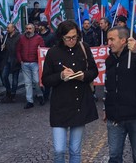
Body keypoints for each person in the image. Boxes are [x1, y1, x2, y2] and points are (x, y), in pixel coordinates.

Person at [42, 20, 98, 163]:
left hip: (79, 104)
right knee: (59, 150)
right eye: (68, 38)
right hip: (60, 106)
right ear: (61, 37)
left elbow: (94, 71)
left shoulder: (84, 47)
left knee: (75, 150)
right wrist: (60, 76)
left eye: (74, 37)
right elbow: (46, 80)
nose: (72, 41)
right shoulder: (53, 52)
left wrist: (83, 76)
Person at [104, 26, 136, 163]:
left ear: (123, 40)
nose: (109, 43)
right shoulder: (110, 60)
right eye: (108, 39)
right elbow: (109, 86)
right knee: (114, 156)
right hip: (115, 117)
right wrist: (105, 109)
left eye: (112, 39)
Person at [16, 23, 45, 109]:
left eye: (30, 29)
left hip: (35, 62)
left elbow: (42, 49)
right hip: (25, 63)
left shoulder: (38, 38)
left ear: (33, 29)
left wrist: (40, 59)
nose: (28, 30)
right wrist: (20, 60)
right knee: (27, 83)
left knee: (36, 81)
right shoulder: (21, 38)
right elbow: (18, 50)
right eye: (27, 28)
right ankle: (29, 101)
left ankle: (40, 95)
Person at [0, 23, 21, 103]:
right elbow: (4, 47)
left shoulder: (19, 37)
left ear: (13, 28)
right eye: (7, 28)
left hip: (15, 60)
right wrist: (3, 45)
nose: (7, 29)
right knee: (4, 76)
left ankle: (13, 94)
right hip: (7, 60)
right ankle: (8, 90)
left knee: (15, 80)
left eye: (8, 28)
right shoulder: (6, 36)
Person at [38, 21, 56, 102]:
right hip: (39, 59)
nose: (39, 27)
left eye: (41, 26)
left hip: (48, 59)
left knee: (48, 75)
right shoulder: (37, 35)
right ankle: (42, 93)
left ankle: (46, 94)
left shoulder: (51, 36)